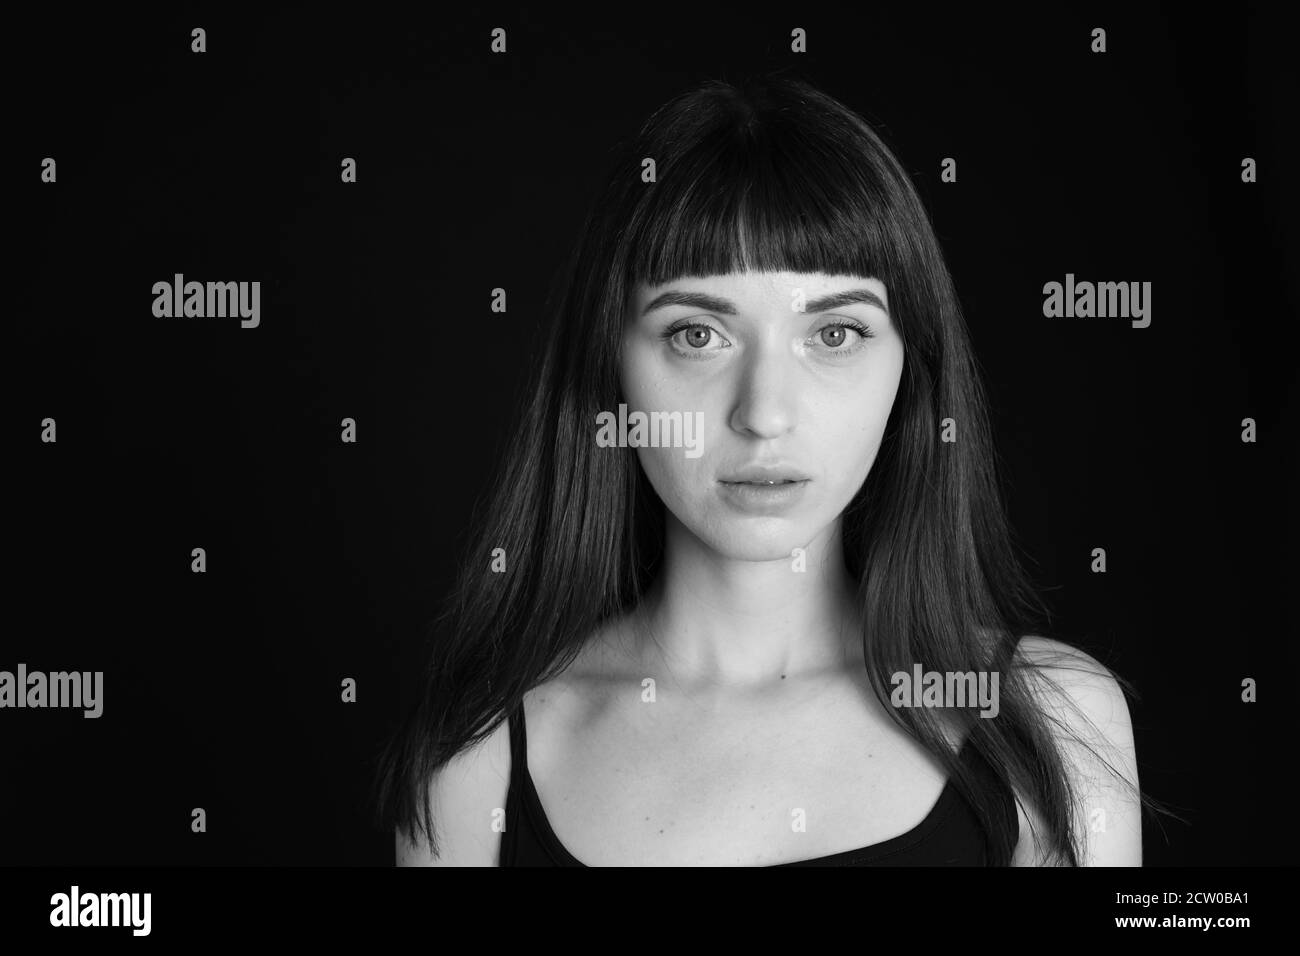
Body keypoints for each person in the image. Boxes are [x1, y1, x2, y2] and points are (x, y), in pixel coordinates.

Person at [374, 72, 1149, 866]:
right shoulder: (473, 767)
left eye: (836, 334)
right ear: (610, 366)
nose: (766, 413)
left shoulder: (1046, 726)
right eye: (698, 335)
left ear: (909, 370)